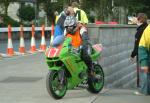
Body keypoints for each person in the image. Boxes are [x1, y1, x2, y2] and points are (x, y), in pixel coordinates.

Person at [64, 15, 99, 80]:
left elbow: (85, 39)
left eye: (70, 26)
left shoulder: (81, 28)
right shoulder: (66, 31)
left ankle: (91, 71)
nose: (68, 28)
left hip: (83, 46)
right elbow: (62, 39)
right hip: (73, 49)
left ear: (74, 25)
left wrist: (82, 45)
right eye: (67, 26)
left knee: (84, 54)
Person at [130, 13, 148, 87]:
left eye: (137, 18)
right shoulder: (147, 28)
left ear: (140, 19)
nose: (136, 20)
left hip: (142, 53)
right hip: (147, 52)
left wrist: (132, 55)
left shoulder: (140, 31)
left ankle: (142, 88)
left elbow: (137, 44)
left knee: (142, 72)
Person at [137, 22, 150, 95]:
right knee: (145, 72)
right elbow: (142, 45)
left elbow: (142, 45)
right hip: (147, 53)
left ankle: (144, 91)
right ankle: (145, 91)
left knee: (144, 72)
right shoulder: (147, 30)